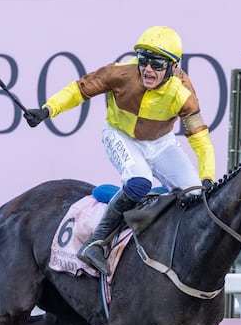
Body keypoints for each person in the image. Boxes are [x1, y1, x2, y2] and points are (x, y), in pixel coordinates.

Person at [23, 25, 216, 275]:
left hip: (162, 143)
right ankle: (96, 243)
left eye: (157, 64)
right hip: (121, 135)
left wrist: (208, 176)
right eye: (144, 61)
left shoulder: (183, 92)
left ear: (172, 67)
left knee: (196, 195)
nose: (147, 69)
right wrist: (48, 110)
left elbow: (200, 139)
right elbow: (78, 90)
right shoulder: (121, 73)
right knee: (139, 182)